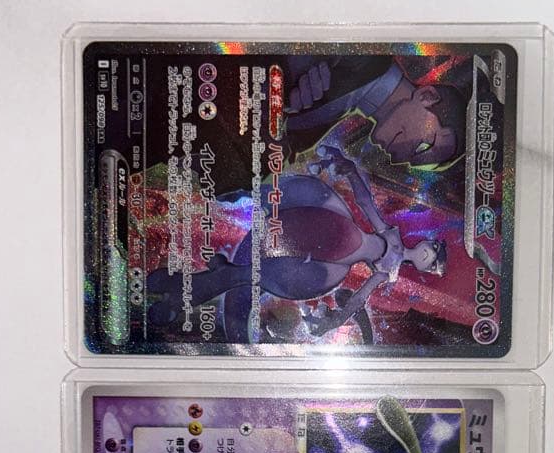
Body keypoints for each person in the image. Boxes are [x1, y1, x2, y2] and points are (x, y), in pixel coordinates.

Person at [147, 147, 447, 343]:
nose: (428, 254)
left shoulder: (387, 271)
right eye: (434, 249)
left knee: (248, 274)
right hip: (334, 225)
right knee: (275, 195)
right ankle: (221, 184)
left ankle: (180, 294)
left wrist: (335, 320)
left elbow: (359, 299)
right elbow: (365, 202)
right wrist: (349, 169)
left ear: (424, 269)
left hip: (330, 263)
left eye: (432, 261)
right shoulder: (390, 233)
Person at [281, 55, 468, 170]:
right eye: (422, 148)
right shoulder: (361, 55)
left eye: (417, 162)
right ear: (427, 96)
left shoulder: (311, 135)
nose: (398, 159)